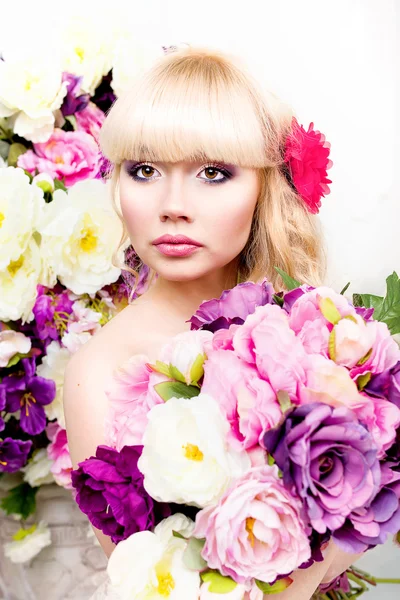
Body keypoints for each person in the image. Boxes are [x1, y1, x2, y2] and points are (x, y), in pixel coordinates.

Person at [63, 45, 363, 599]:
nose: (173, 205)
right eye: (145, 170)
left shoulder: (320, 334)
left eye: (213, 172)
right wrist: (357, 499)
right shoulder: (98, 374)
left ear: (264, 187)